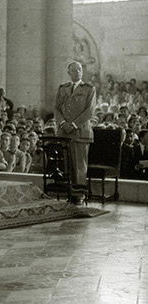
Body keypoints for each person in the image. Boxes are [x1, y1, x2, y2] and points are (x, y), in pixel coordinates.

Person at [55, 60, 97, 205]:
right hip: (64, 132)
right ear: (68, 72)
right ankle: (69, 193)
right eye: (74, 70)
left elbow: (89, 111)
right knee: (67, 165)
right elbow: (57, 108)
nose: (77, 72)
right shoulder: (63, 88)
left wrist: (73, 124)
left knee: (79, 165)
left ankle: (79, 195)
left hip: (80, 133)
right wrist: (62, 123)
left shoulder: (89, 89)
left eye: (79, 69)